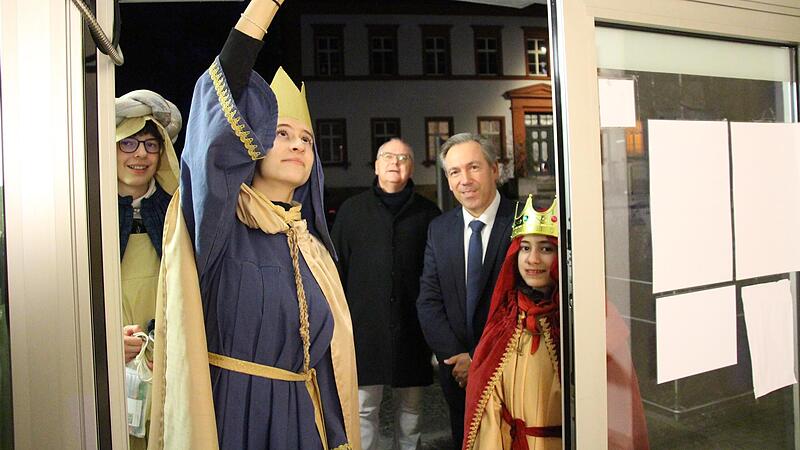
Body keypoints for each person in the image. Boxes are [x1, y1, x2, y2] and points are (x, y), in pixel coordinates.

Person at [147, 1, 360, 449]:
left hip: (302, 421)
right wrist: (264, 7)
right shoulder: (220, 227)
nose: (298, 145)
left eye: (307, 140)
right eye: (282, 134)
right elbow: (210, 127)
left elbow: (328, 363)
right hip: (233, 416)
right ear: (251, 141)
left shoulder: (313, 249)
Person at [463, 196, 649, 450]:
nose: (532, 259)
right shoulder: (505, 318)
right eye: (525, 248)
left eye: (546, 249)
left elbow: (616, 408)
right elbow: (487, 409)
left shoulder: (588, 320)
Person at [331, 138, 440, 450]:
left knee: (411, 410)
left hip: (412, 329)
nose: (395, 162)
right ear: (376, 166)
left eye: (403, 158)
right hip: (364, 329)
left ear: (411, 167)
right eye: (388, 156)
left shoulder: (429, 214)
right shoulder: (352, 211)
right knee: (364, 409)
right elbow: (337, 270)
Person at [417, 133, 515, 449]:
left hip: (512, 371)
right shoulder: (439, 229)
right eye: (455, 172)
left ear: (495, 170)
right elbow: (429, 302)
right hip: (458, 375)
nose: (465, 180)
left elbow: (524, 302)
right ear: (448, 181)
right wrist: (457, 357)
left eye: (474, 167)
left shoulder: (521, 221)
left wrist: (481, 361)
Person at [115, 89, 181, 450]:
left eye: (151, 145)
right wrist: (106, 342)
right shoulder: (84, 215)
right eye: (128, 142)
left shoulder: (177, 213)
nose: (141, 154)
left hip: (168, 366)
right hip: (109, 373)